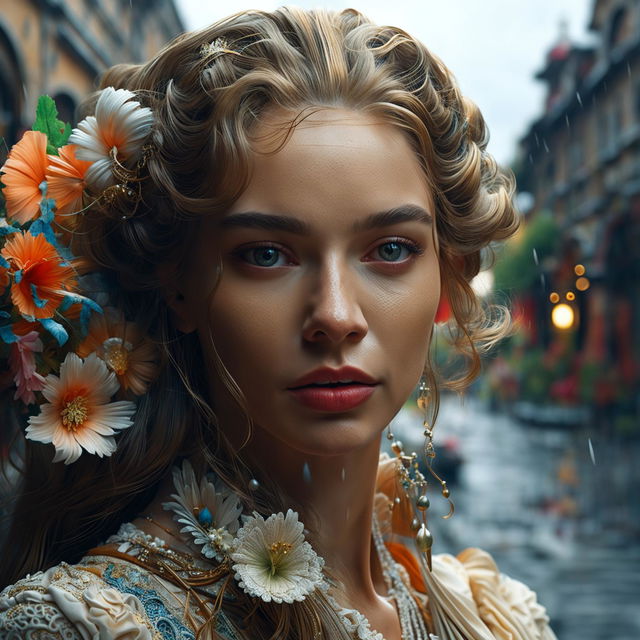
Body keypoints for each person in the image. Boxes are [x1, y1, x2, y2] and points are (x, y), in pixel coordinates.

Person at [0, 7, 557, 639]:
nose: (337, 317)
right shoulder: (84, 627)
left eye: (392, 249)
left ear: (445, 280)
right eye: (266, 255)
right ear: (178, 284)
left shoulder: (486, 613)